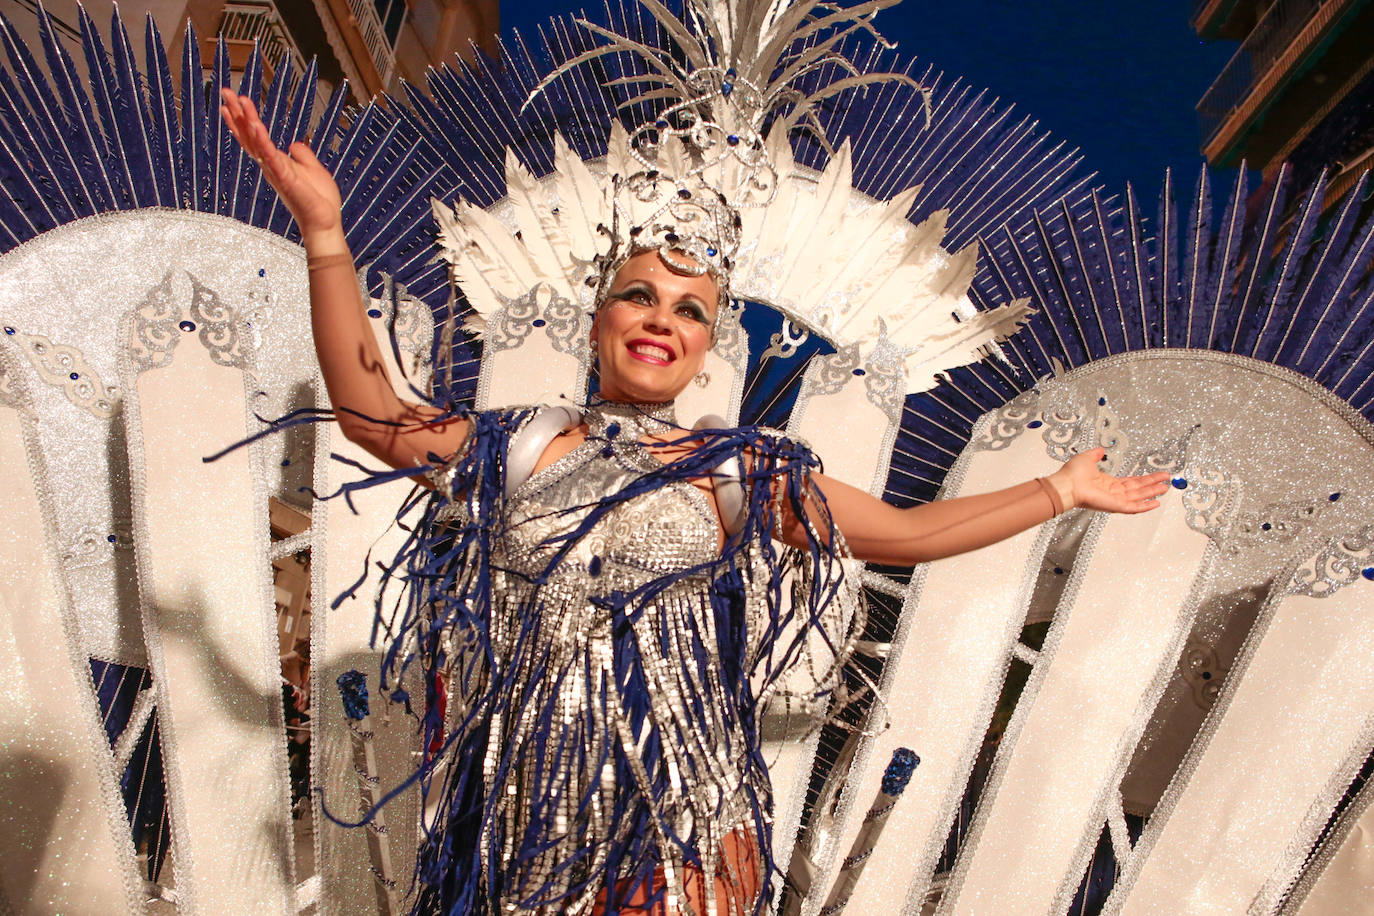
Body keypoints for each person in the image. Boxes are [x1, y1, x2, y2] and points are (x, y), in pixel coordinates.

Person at [220, 89, 1169, 916]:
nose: (659, 321)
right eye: (638, 296)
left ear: (709, 347)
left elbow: (911, 536)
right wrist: (326, 237)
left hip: (682, 809)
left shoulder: (738, 469)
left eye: (688, 309)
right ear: (598, 320)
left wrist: (1059, 488)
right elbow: (374, 415)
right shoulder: (520, 442)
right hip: (528, 803)